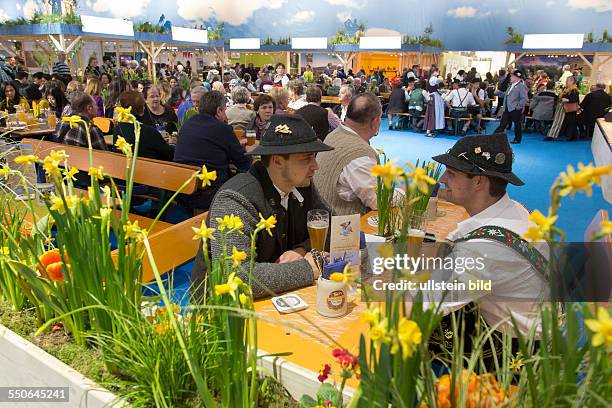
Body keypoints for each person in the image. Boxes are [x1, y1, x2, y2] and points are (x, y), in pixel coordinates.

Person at [423, 132, 548, 364]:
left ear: (479, 181)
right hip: (537, 328)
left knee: (418, 327)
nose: (441, 179)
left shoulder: (482, 248)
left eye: (451, 173)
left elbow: (428, 304)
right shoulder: (518, 209)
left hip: (517, 354)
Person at [191, 114, 334, 300]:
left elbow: (332, 222)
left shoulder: (301, 184)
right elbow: (238, 276)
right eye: (307, 158)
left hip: (276, 298)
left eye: (314, 157)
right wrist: (308, 267)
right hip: (223, 312)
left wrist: (300, 249)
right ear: (277, 161)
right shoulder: (235, 199)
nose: (316, 166)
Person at [174, 91, 252, 210]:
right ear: (219, 111)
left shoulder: (188, 124)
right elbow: (244, 163)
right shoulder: (223, 129)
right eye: (225, 110)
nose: (226, 115)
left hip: (182, 191)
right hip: (210, 194)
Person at [313, 93, 381, 215]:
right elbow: (377, 201)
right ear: (375, 122)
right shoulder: (360, 155)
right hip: (341, 228)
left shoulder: (334, 134)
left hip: (319, 217)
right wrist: (403, 192)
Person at [114, 91, 174, 161]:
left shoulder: (118, 128)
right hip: (152, 168)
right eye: (143, 105)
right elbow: (169, 154)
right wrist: (172, 144)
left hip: (124, 166)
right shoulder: (148, 131)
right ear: (142, 108)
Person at [493, 70, 528, 144]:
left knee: (517, 124)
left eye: (512, 76)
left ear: (517, 77)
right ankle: (494, 137)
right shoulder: (510, 86)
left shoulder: (521, 86)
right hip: (507, 108)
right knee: (503, 124)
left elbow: (524, 98)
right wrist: (499, 93)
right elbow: (507, 95)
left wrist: (518, 107)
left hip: (514, 109)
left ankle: (517, 139)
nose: (510, 78)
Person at [556, 75, 580, 141]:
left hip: (571, 108)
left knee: (571, 122)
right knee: (571, 122)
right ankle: (573, 136)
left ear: (572, 81)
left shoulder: (574, 90)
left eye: (568, 81)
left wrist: (567, 100)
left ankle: (571, 136)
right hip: (568, 108)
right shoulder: (567, 89)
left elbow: (575, 99)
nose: (566, 82)